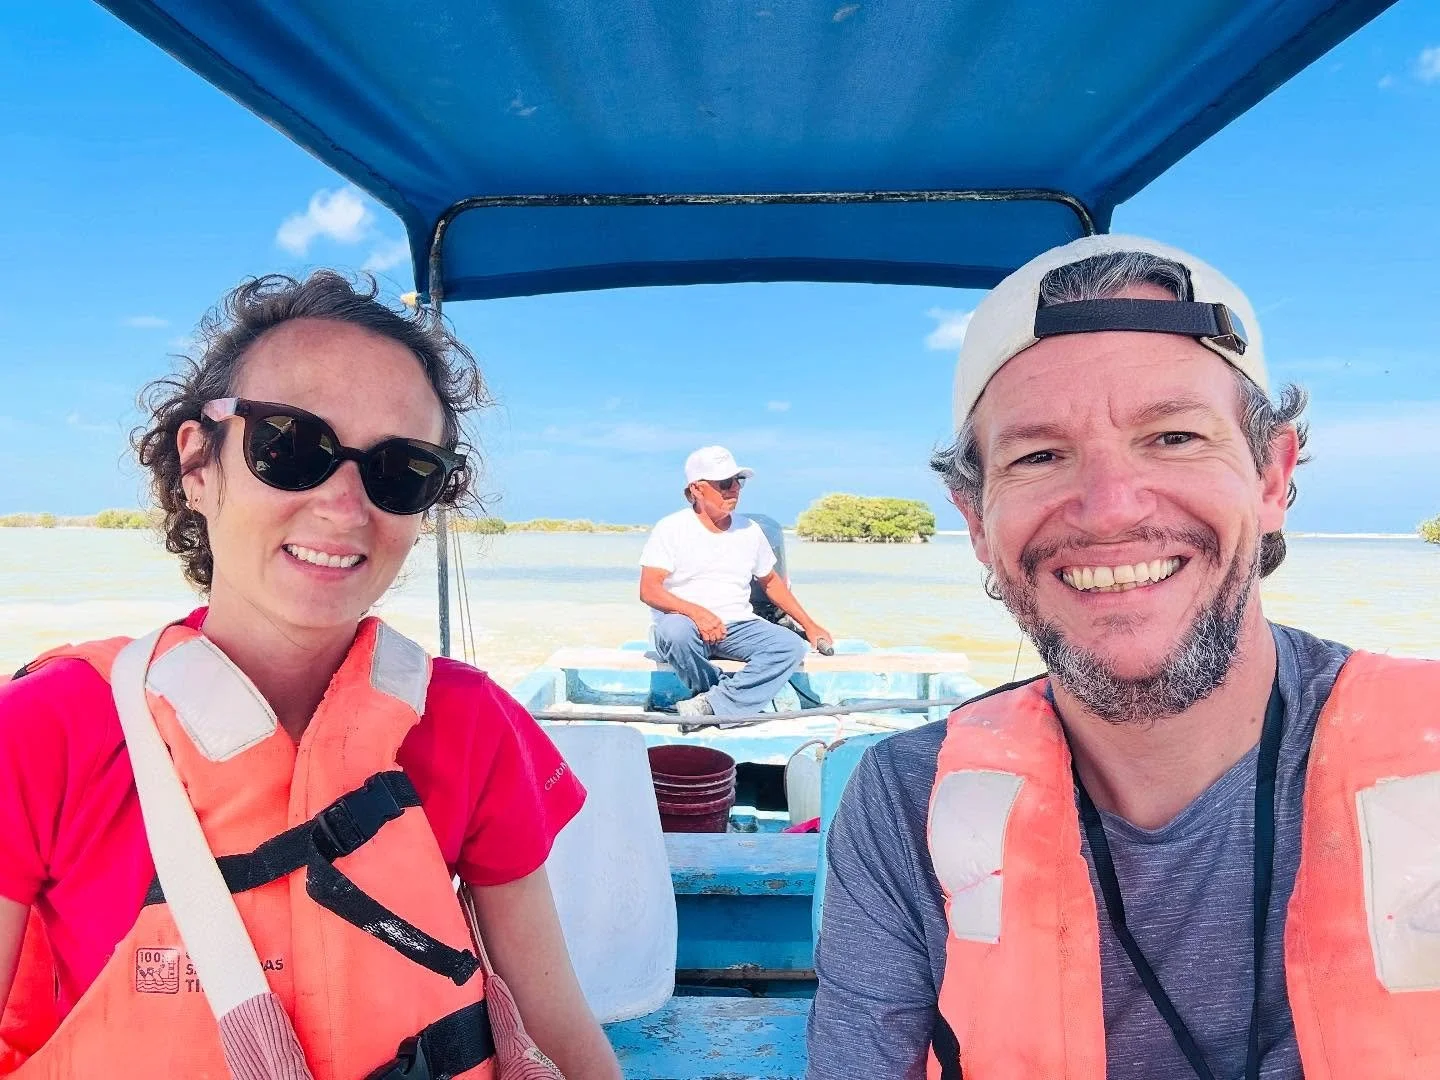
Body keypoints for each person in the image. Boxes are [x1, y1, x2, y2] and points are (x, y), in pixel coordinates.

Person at [807, 235, 1440, 1079]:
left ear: (1272, 476)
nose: (1108, 510)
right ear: (975, 520)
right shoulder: (906, 802)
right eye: (1039, 455)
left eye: (1174, 437)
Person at [0, 273, 621, 1079]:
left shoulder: (473, 725)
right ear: (197, 461)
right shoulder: (45, 728)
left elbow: (554, 1024)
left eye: (401, 470)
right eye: (290, 446)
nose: (344, 503)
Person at [639, 446, 833, 717]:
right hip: (683, 622)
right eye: (725, 483)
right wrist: (698, 613)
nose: (734, 489)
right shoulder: (671, 528)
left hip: (738, 625)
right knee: (675, 633)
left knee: (789, 646)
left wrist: (810, 625)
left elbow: (771, 582)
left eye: (738, 482)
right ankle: (725, 698)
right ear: (696, 488)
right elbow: (649, 590)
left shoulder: (750, 530)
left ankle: (710, 705)